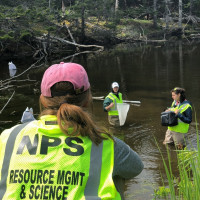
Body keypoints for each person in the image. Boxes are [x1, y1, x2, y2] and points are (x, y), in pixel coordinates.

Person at [0, 62, 143, 200]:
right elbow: (136, 167)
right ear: (87, 99)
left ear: (42, 101)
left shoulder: (8, 138)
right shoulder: (105, 144)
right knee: (113, 174)